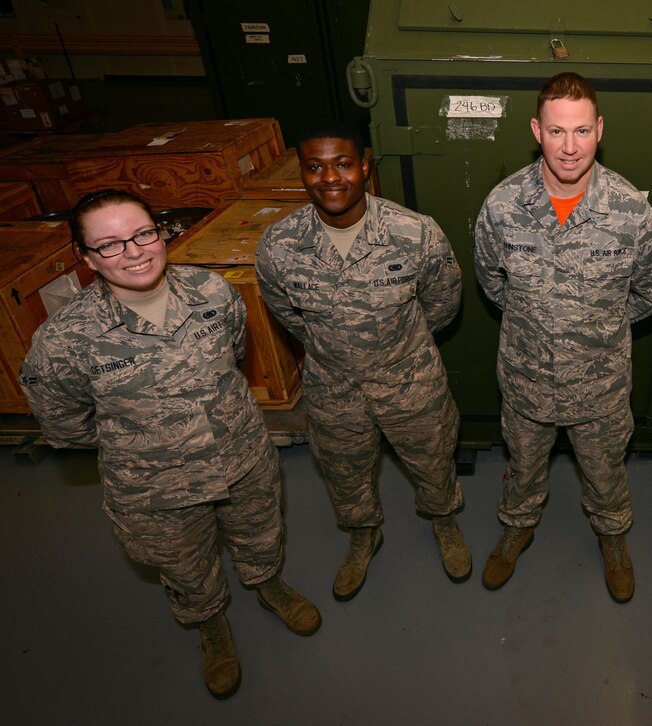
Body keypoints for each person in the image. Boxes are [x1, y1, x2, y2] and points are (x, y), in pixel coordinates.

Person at [20, 190, 320, 699]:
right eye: (110, 244)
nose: (134, 252)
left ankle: (267, 583)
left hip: (241, 456)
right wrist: (148, 444)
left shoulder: (212, 291)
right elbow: (65, 425)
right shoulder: (64, 342)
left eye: (143, 234)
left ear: (160, 233)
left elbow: (236, 355)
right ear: (86, 258)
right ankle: (210, 625)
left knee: (260, 532)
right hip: (156, 488)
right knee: (185, 566)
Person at [474, 72, 652, 603]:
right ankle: (517, 527)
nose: (570, 147)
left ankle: (613, 537)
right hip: (527, 378)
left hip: (599, 385)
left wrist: (600, 325)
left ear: (599, 130)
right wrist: (537, 319)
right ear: (536, 130)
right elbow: (491, 280)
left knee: (606, 473)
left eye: (582, 131)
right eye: (557, 131)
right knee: (523, 468)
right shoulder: (503, 204)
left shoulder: (630, 210)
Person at [255, 120, 470, 600]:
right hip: (333, 389)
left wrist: (397, 346)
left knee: (434, 460)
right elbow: (286, 312)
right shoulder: (280, 245)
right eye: (315, 167)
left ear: (365, 168)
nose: (330, 177)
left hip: (409, 380)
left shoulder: (414, 233)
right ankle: (363, 533)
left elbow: (443, 302)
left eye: (343, 164)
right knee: (343, 471)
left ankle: (444, 520)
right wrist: (337, 347)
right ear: (302, 174)